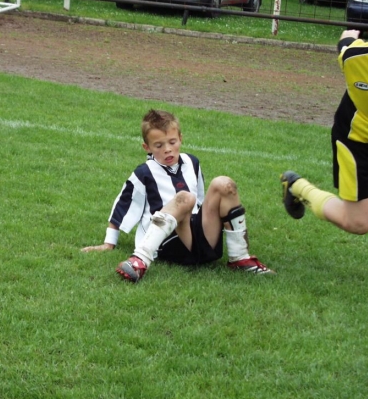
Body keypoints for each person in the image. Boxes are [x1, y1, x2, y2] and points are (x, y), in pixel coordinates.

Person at [280, 0, 368, 278]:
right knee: (360, 223)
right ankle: (298, 187)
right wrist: (346, 37)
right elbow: (345, 45)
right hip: (355, 141)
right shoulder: (355, 58)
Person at [81, 108, 274, 282]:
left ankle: (240, 258)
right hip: (167, 242)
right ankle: (140, 259)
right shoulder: (144, 173)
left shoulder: (192, 162)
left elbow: (201, 201)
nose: (167, 149)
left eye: (172, 142)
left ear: (180, 138)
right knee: (185, 198)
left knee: (224, 184)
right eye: (158, 145)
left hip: (199, 238)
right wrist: (109, 243)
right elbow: (122, 205)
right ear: (147, 147)